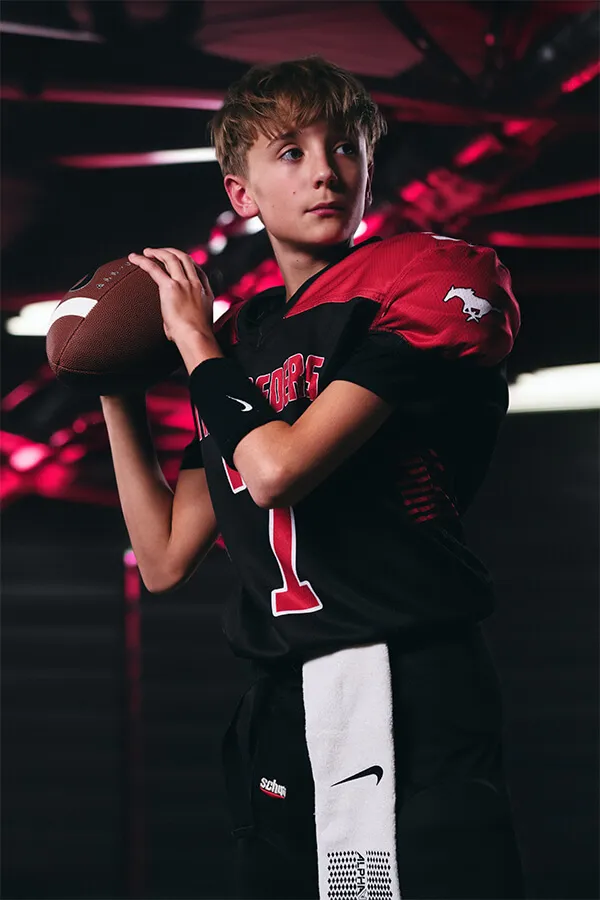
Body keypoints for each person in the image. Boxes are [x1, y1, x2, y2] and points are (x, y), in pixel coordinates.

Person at [102, 56, 525, 900]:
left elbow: (277, 472)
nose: (326, 169)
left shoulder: (418, 280)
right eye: (289, 152)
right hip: (285, 693)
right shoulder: (246, 341)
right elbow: (163, 556)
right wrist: (112, 385)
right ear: (241, 193)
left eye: (344, 147)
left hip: (409, 674)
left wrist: (194, 346)